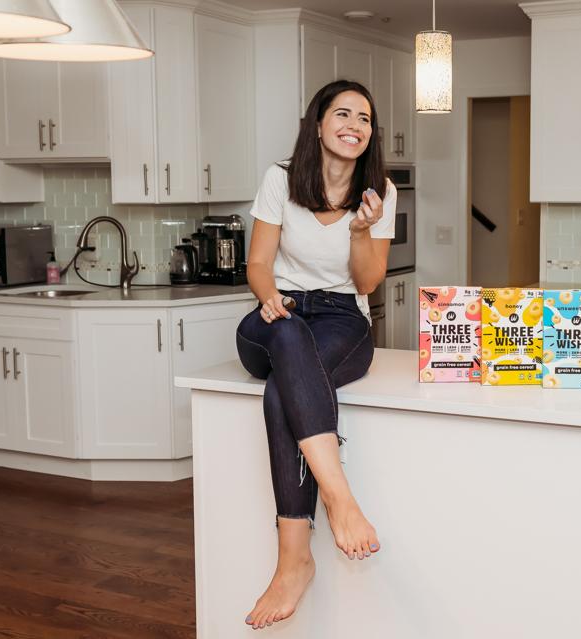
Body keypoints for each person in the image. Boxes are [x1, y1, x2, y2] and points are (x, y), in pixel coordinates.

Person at [235, 80, 397, 630]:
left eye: (365, 119)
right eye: (343, 114)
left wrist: (360, 231)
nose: (355, 125)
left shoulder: (380, 192)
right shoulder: (280, 179)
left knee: (285, 385)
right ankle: (340, 498)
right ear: (319, 123)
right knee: (284, 337)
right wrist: (270, 297)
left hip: (340, 318)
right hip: (277, 314)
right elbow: (259, 263)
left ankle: (293, 561)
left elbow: (368, 280)